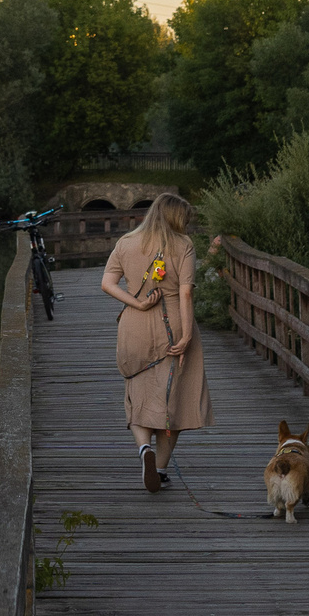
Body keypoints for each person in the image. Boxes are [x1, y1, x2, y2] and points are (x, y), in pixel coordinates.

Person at [99, 193, 211, 491]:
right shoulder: (183, 245)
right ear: (177, 218)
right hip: (173, 326)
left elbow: (107, 283)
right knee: (174, 400)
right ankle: (160, 469)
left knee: (137, 394)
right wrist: (186, 336)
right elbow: (186, 293)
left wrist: (137, 305)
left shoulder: (125, 242)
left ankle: (143, 449)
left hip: (134, 326)